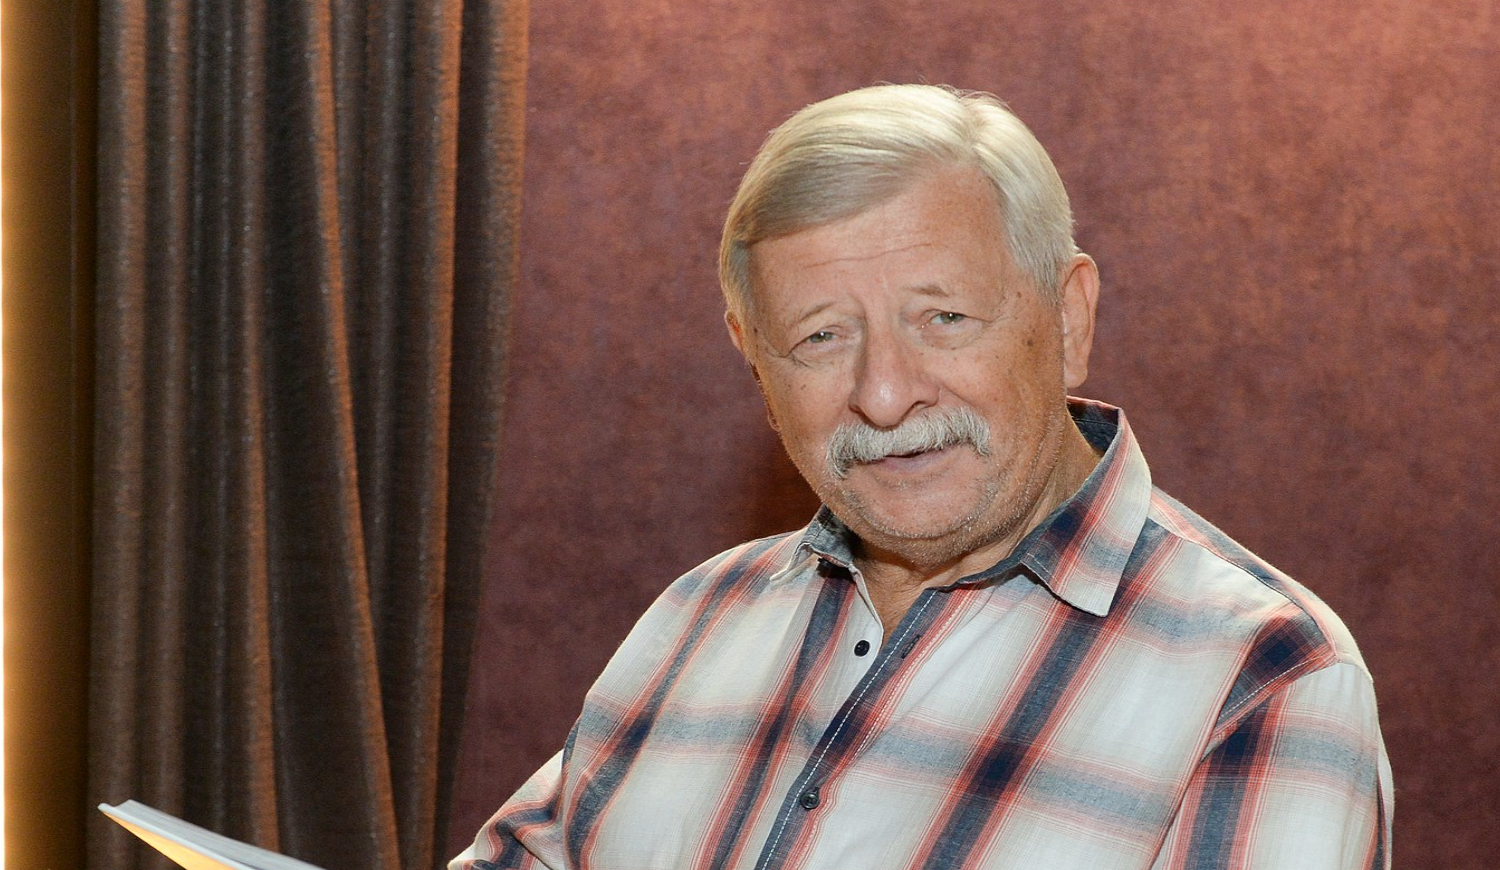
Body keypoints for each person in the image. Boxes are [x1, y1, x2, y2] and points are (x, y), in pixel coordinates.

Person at [451, 83, 1393, 870]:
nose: (885, 394)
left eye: (943, 318)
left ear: (1068, 319)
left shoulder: (1264, 677)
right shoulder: (700, 617)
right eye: (821, 337)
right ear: (756, 364)